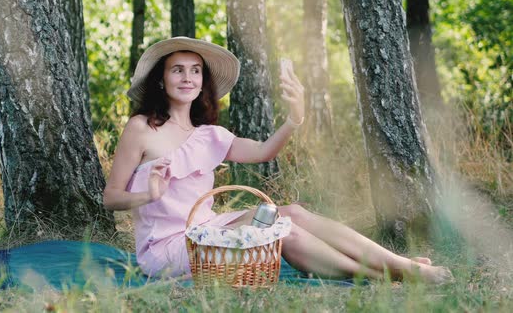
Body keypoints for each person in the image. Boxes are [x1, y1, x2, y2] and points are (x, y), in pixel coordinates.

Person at [103, 37, 453, 283]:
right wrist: (148, 194)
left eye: (195, 71)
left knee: (294, 213)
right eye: (177, 70)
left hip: (208, 229)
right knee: (278, 229)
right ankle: (389, 273)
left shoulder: (209, 135)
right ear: (162, 80)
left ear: (202, 82)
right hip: (168, 250)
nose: (187, 77)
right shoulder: (141, 128)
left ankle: (398, 264)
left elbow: (263, 151)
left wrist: (294, 117)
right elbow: (111, 198)